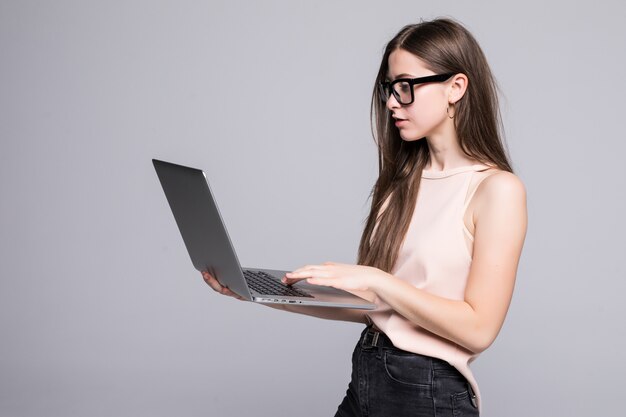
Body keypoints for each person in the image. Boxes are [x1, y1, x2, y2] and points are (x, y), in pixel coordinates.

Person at [202, 16, 527, 417]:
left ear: (455, 88)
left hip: (427, 392)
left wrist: (376, 279)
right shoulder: (402, 183)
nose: (392, 101)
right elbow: (379, 308)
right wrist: (265, 294)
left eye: (406, 86)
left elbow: (479, 329)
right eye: (389, 88)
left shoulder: (496, 190)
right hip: (367, 374)